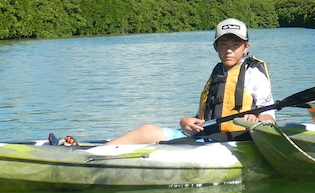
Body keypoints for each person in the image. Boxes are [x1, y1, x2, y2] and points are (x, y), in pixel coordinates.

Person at [105, 18, 275, 145]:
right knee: (147, 130)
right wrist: (185, 122)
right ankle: (98, 152)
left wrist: (256, 121)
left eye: (235, 44)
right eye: (223, 44)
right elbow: (206, 116)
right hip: (206, 138)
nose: (228, 50)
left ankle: (94, 155)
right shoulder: (218, 73)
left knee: (153, 136)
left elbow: (269, 117)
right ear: (216, 47)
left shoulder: (253, 73)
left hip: (235, 141)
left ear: (246, 47)